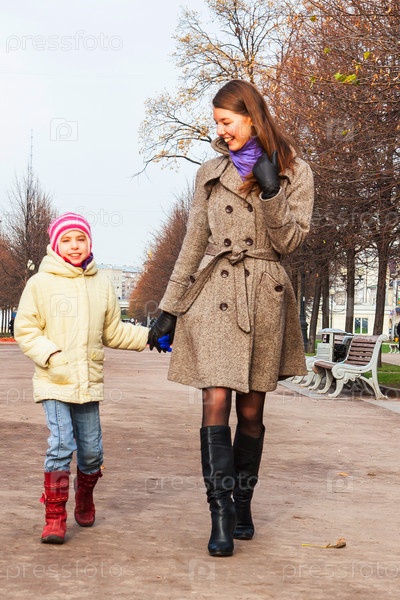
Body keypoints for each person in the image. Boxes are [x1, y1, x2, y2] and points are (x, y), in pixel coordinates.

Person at [148, 80, 314, 557]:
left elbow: (291, 243)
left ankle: (243, 503)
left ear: (251, 116)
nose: (221, 130)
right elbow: (193, 242)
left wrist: (271, 190)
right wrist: (169, 307)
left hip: (264, 295)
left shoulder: (295, 170)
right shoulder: (209, 172)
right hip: (214, 293)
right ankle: (219, 515)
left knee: (252, 412)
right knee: (215, 400)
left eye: (227, 121)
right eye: (218, 122)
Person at [14, 212, 149, 545]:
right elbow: (26, 329)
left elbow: (113, 332)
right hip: (54, 379)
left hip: (88, 381)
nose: (74, 246)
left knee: (91, 454)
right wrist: (51, 356)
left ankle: (85, 495)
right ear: (55, 244)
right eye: (66, 240)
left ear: (89, 243)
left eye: (80, 239)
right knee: (61, 444)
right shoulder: (40, 283)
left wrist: (150, 337)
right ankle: (55, 516)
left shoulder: (101, 284)